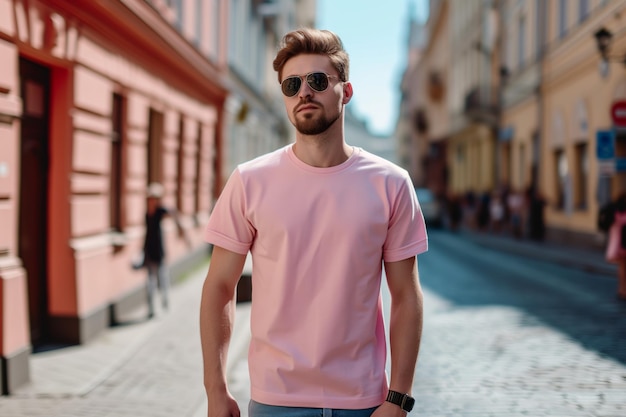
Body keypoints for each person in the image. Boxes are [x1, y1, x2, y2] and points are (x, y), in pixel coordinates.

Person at [199, 28, 428, 417]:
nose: (304, 92)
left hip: (365, 403)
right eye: (292, 85)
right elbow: (220, 286)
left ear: (347, 92)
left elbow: (406, 295)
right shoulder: (249, 180)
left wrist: (399, 398)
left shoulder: (390, 183)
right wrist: (215, 390)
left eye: (318, 81)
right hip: (275, 402)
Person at [142, 182, 189, 318]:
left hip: (158, 250)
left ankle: (165, 302)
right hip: (149, 251)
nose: (152, 201)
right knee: (150, 281)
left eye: (154, 198)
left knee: (162, 278)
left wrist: (180, 229)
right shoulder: (148, 214)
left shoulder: (159, 211)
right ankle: (152, 308)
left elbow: (173, 212)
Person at [603, 192, 626, 301]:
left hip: (618, 242)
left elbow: (605, 221)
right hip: (623, 241)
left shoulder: (614, 209)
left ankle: (621, 289)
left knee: (621, 267)